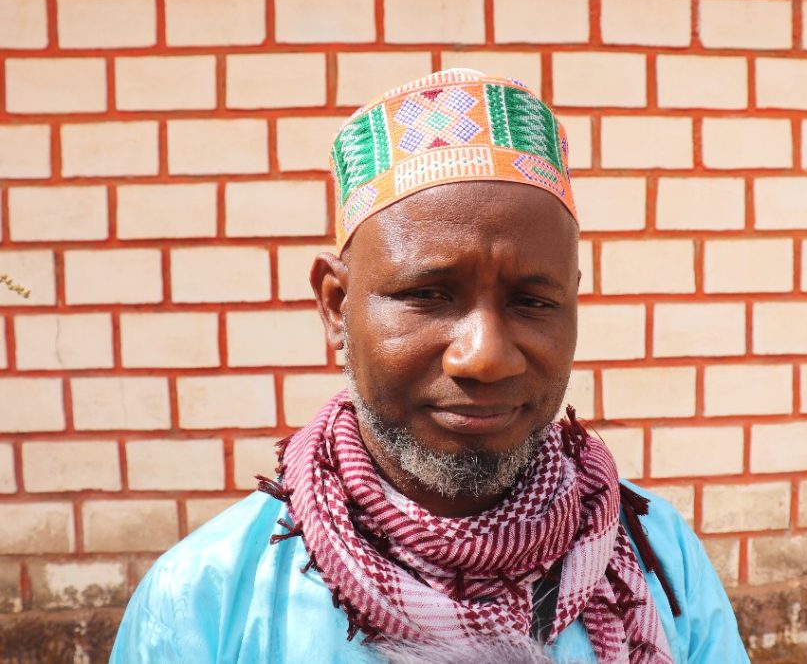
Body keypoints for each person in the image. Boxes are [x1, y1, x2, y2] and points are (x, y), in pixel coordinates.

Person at [110, 69, 749, 664]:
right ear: (336, 305)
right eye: (427, 295)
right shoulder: (207, 598)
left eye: (533, 301)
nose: (487, 357)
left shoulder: (658, 560)